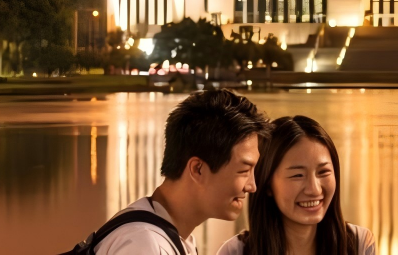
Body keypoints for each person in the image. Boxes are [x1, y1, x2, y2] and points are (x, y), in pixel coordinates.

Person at [91, 88, 269, 254]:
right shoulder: (143, 245)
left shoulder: (173, 236)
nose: (252, 186)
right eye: (244, 170)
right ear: (197, 169)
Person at [217, 115, 376, 255]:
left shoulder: (358, 244)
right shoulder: (235, 251)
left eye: (323, 172)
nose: (314, 189)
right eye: (298, 175)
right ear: (267, 184)